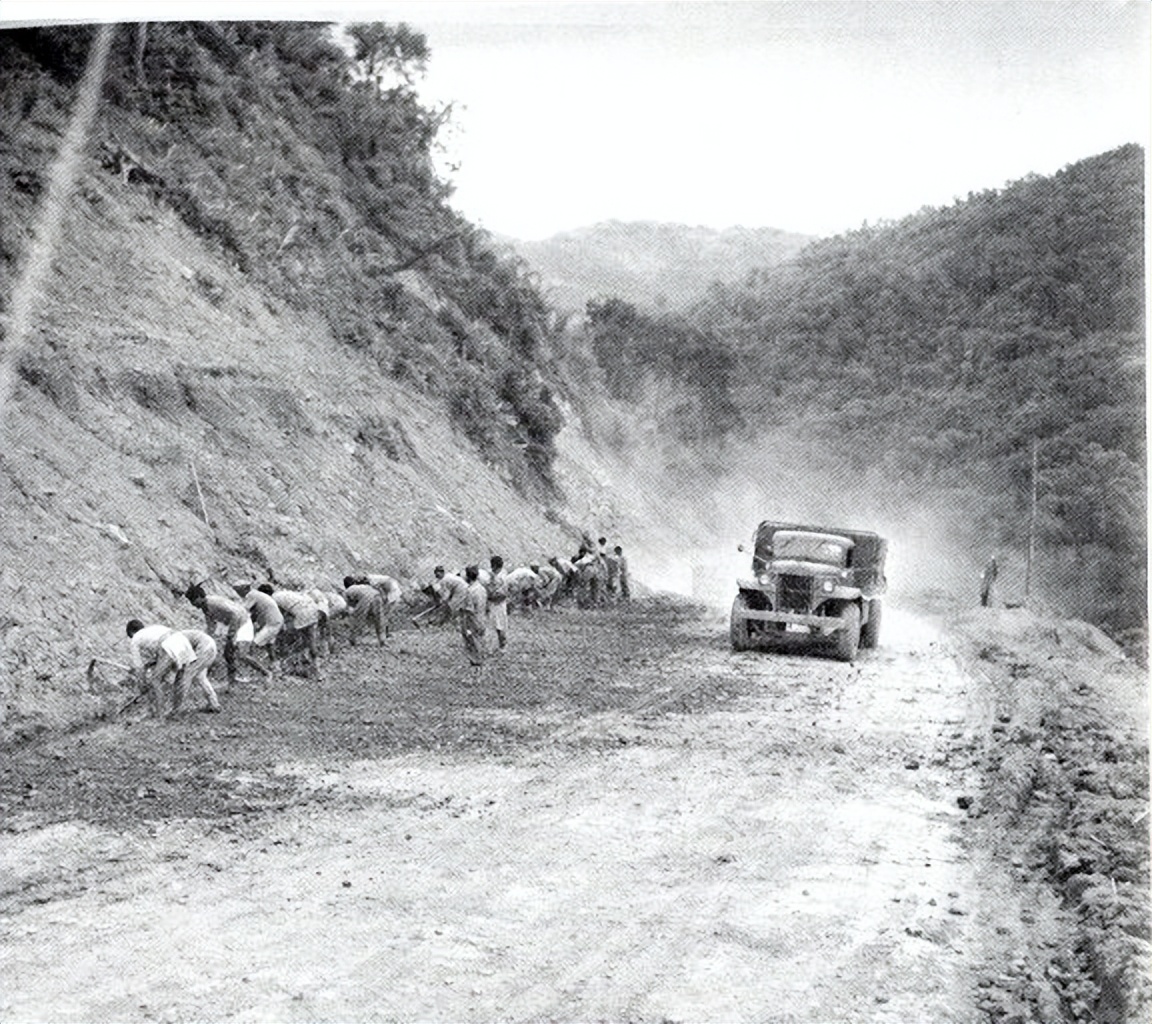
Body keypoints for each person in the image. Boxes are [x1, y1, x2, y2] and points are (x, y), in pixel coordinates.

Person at [185, 583, 267, 685]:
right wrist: (204, 639)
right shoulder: (205, 607)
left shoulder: (213, 602)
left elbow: (235, 614)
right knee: (228, 654)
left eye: (193, 601)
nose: (192, 604)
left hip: (243, 623)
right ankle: (232, 680)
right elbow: (212, 626)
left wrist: (232, 634)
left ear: (199, 597)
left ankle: (266, 673)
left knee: (242, 654)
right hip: (237, 624)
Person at [126, 619, 196, 719]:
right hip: (182, 641)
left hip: (168, 643)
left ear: (132, 632)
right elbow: (159, 659)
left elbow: (139, 667)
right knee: (179, 679)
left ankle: (159, 716)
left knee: (155, 680)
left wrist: (142, 684)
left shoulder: (135, 639)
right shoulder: (152, 630)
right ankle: (176, 712)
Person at [260, 584, 323, 677]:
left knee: (289, 637)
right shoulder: (282, 593)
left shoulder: (273, 600)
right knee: (310, 640)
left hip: (302, 613)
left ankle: (289, 665)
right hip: (313, 609)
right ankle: (316, 669)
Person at [175, 628, 222, 714]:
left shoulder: (173, 641)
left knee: (187, 675)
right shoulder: (177, 636)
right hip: (210, 646)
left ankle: (177, 708)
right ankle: (214, 704)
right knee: (201, 677)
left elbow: (179, 663)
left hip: (204, 648)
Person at [240, 583, 284, 674]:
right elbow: (253, 617)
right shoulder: (265, 600)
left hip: (272, 624)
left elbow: (244, 610)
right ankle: (276, 668)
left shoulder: (253, 595)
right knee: (270, 646)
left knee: (252, 646)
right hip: (276, 622)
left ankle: (252, 671)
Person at [459, 564, 488, 668]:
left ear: (467, 576)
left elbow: (469, 610)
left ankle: (475, 669)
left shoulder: (469, 591)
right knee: (480, 643)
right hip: (481, 618)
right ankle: (480, 668)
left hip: (472, 621)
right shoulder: (482, 589)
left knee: (472, 646)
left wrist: (465, 624)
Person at [344, 576, 386, 646]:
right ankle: (382, 639)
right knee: (379, 618)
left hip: (365, 597)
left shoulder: (347, 591)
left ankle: (352, 640)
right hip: (376, 594)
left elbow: (349, 607)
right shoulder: (361, 586)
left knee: (356, 618)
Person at [366, 573, 404, 644]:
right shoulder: (374, 578)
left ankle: (385, 634)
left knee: (384, 615)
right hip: (392, 591)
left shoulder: (372, 580)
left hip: (393, 593)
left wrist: (384, 598)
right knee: (385, 615)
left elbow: (380, 589)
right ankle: (385, 633)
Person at [486, 555, 509, 653]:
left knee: (500, 626)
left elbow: (503, 594)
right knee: (492, 626)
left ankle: (502, 646)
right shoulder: (494, 574)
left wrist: (491, 595)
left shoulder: (502, 577)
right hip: (493, 603)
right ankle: (492, 647)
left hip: (499, 604)